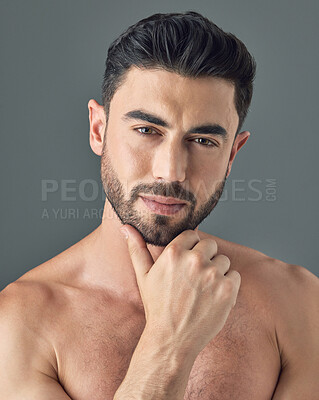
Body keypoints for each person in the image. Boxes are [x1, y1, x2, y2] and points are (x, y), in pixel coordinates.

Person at [0, 10, 318, 400]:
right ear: (98, 130)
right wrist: (169, 344)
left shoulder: (298, 304)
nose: (171, 171)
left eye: (203, 141)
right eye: (147, 130)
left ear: (233, 154)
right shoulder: (19, 325)